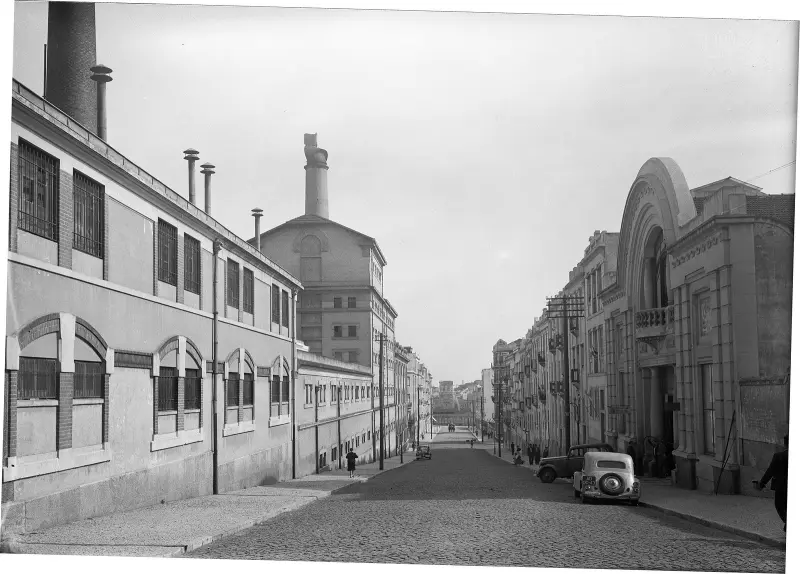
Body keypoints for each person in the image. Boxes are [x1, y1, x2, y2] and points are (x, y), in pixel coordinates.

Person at [755, 434, 789, 532]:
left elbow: (770, 471)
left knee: (780, 505)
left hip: (781, 487)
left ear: (785, 444)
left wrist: (761, 484)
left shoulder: (779, 456)